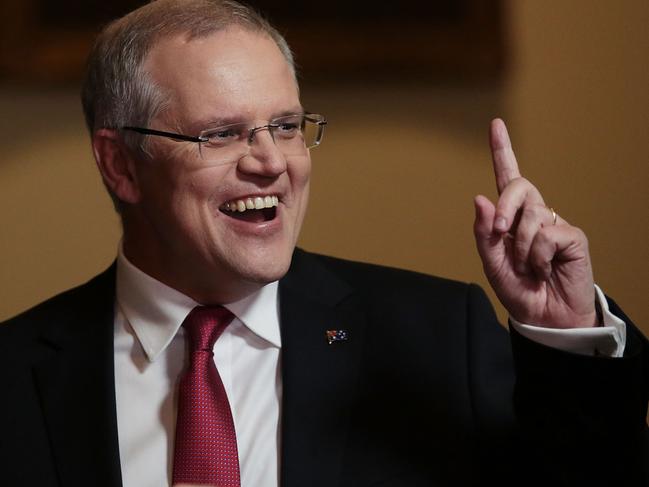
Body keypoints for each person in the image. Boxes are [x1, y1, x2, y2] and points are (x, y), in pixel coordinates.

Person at [0, 1, 647, 486]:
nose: (272, 162)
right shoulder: (14, 374)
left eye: (285, 126)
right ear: (119, 165)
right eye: (222, 134)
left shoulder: (438, 336)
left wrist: (565, 334)